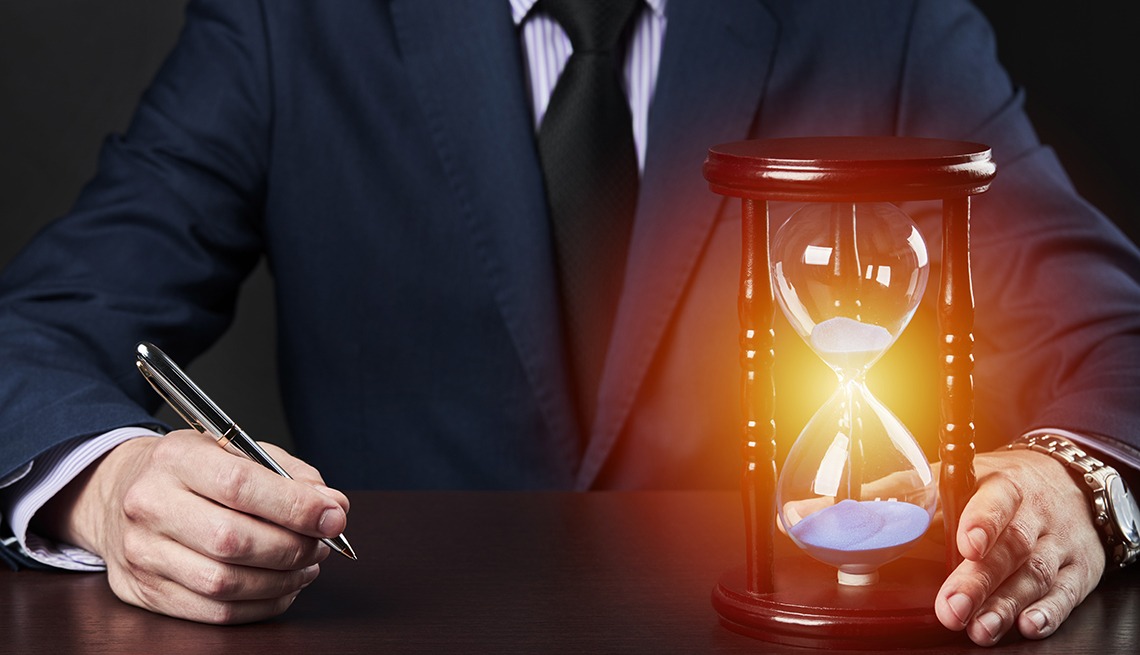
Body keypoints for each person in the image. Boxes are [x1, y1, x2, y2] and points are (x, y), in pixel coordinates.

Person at [1, 0, 1138, 646]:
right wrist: (106, 489)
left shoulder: (876, 20)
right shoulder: (289, 21)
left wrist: (1070, 476)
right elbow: (44, 324)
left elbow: (1106, 324)